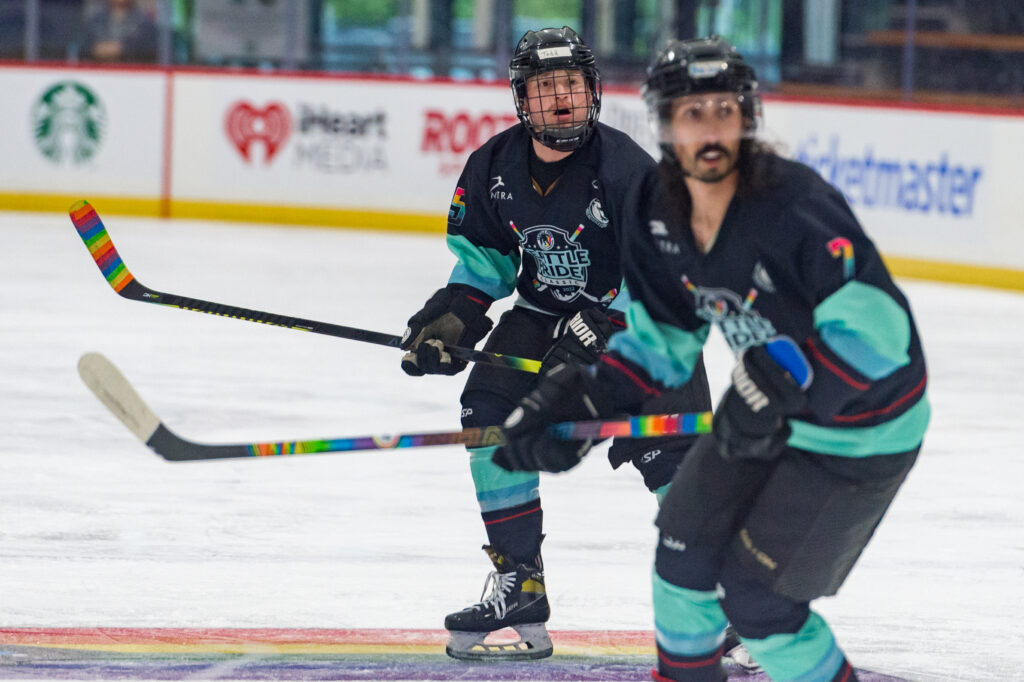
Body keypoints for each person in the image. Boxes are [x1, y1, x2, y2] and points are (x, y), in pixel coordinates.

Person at [493, 36, 929, 682]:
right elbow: (662, 339)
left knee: (758, 603)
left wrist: (783, 382)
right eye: (692, 114)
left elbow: (880, 336)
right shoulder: (654, 208)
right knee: (681, 561)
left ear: (747, 118)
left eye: (724, 110)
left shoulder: (794, 208)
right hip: (761, 412)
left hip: (860, 430)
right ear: (664, 123)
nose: (711, 129)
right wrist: (581, 401)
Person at [399, 26, 712, 661]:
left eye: (570, 84)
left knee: (668, 454)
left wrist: (605, 325)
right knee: (485, 414)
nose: (561, 98)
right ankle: (520, 583)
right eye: (546, 87)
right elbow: (485, 264)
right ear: (522, 99)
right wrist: (456, 318)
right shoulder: (492, 166)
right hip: (543, 318)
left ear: (591, 91)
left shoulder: (628, 170)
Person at [81, 0, 157, 63]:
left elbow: (147, 51)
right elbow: (84, 48)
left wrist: (122, 48)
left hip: (132, 74)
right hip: (97, 73)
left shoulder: (145, 23)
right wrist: (97, 49)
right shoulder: (95, 21)